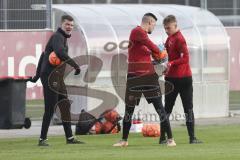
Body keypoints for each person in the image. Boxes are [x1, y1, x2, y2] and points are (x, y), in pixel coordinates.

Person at [113, 13, 176, 147]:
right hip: (134, 77)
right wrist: (160, 53)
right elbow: (153, 47)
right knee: (129, 110)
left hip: (148, 77)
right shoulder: (137, 32)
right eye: (154, 24)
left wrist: (159, 59)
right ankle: (124, 140)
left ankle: (170, 139)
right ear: (149, 22)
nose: (154, 27)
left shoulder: (142, 38)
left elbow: (149, 56)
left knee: (160, 108)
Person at [29, 15, 84, 146]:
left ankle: (70, 138)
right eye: (67, 24)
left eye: (71, 25)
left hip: (57, 77)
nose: (69, 27)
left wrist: (36, 76)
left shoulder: (62, 38)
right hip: (49, 76)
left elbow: (43, 55)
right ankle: (42, 139)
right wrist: (75, 64)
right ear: (61, 25)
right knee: (50, 108)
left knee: (65, 105)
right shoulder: (57, 37)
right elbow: (59, 52)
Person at [160, 15, 202, 144]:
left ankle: (191, 137)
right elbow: (166, 55)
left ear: (175, 26)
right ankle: (163, 138)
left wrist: (171, 64)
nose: (166, 30)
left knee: (186, 108)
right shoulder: (169, 39)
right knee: (167, 109)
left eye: (168, 28)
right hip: (173, 78)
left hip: (183, 79)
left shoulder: (180, 39)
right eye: (165, 28)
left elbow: (185, 59)